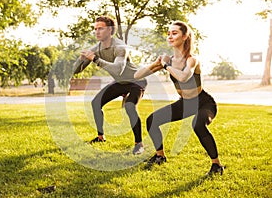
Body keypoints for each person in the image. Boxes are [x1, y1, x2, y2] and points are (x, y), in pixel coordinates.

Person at [134, 20, 224, 175]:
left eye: (174, 33)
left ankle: (217, 165)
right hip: (186, 103)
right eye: (168, 33)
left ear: (184, 37)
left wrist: (166, 66)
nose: (170, 36)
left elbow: (183, 77)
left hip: (204, 103)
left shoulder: (192, 59)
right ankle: (160, 156)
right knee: (152, 120)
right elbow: (137, 75)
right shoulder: (167, 60)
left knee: (197, 124)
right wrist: (156, 63)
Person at [72, 16, 147, 155]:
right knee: (96, 103)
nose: (97, 31)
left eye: (100, 28)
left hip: (136, 81)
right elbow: (76, 70)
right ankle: (101, 137)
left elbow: (117, 69)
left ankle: (139, 144)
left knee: (130, 106)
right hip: (120, 82)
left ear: (110, 30)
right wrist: (81, 59)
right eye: (95, 29)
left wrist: (95, 59)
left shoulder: (119, 47)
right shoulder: (96, 48)